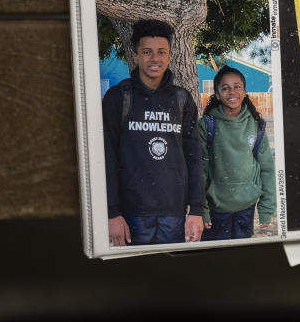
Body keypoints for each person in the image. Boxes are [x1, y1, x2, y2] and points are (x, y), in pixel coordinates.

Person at [102, 19, 205, 246]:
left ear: (169, 56)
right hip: (131, 216)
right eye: (147, 52)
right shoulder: (118, 97)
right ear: (136, 55)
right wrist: (111, 213)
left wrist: (196, 210)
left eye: (161, 52)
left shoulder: (181, 99)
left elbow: (194, 158)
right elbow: (106, 158)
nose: (155, 59)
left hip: (174, 213)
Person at [198, 66, 277, 240]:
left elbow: (267, 168)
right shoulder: (207, 125)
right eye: (225, 88)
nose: (232, 92)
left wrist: (266, 209)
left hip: (246, 208)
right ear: (217, 94)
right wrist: (202, 210)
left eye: (237, 86)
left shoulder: (256, 125)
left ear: (245, 91)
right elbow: (199, 171)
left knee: (241, 260)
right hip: (216, 211)